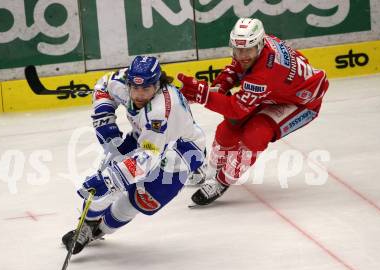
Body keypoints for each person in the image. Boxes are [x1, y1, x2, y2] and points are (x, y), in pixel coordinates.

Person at [177, 17, 329, 206]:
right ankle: (212, 169)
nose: (242, 55)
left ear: (259, 45)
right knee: (229, 128)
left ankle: (222, 180)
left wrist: (204, 95)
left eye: (247, 50)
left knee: (255, 134)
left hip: (302, 104)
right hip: (279, 91)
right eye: (238, 49)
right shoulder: (258, 44)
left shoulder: (266, 73)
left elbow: (236, 108)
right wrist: (219, 86)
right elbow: (237, 67)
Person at [62, 55, 206, 254]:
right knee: (110, 173)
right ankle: (86, 225)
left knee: (140, 199)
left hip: (180, 152)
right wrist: (107, 127)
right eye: (135, 88)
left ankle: (98, 230)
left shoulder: (160, 111)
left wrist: (108, 179)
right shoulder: (125, 82)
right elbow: (103, 86)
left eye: (145, 89)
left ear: (157, 85)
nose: (139, 95)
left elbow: (147, 159)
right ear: (128, 82)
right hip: (145, 139)